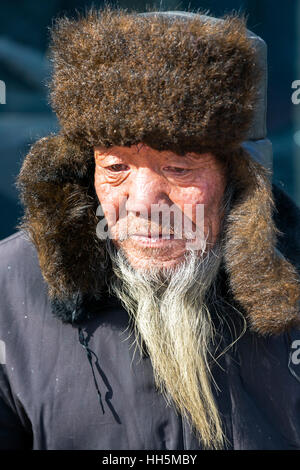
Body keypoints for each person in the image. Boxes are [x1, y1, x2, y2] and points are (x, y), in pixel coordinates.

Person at [0, 6, 299, 450]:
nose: (141, 204)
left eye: (178, 168)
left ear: (241, 176)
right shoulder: (9, 291)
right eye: (116, 167)